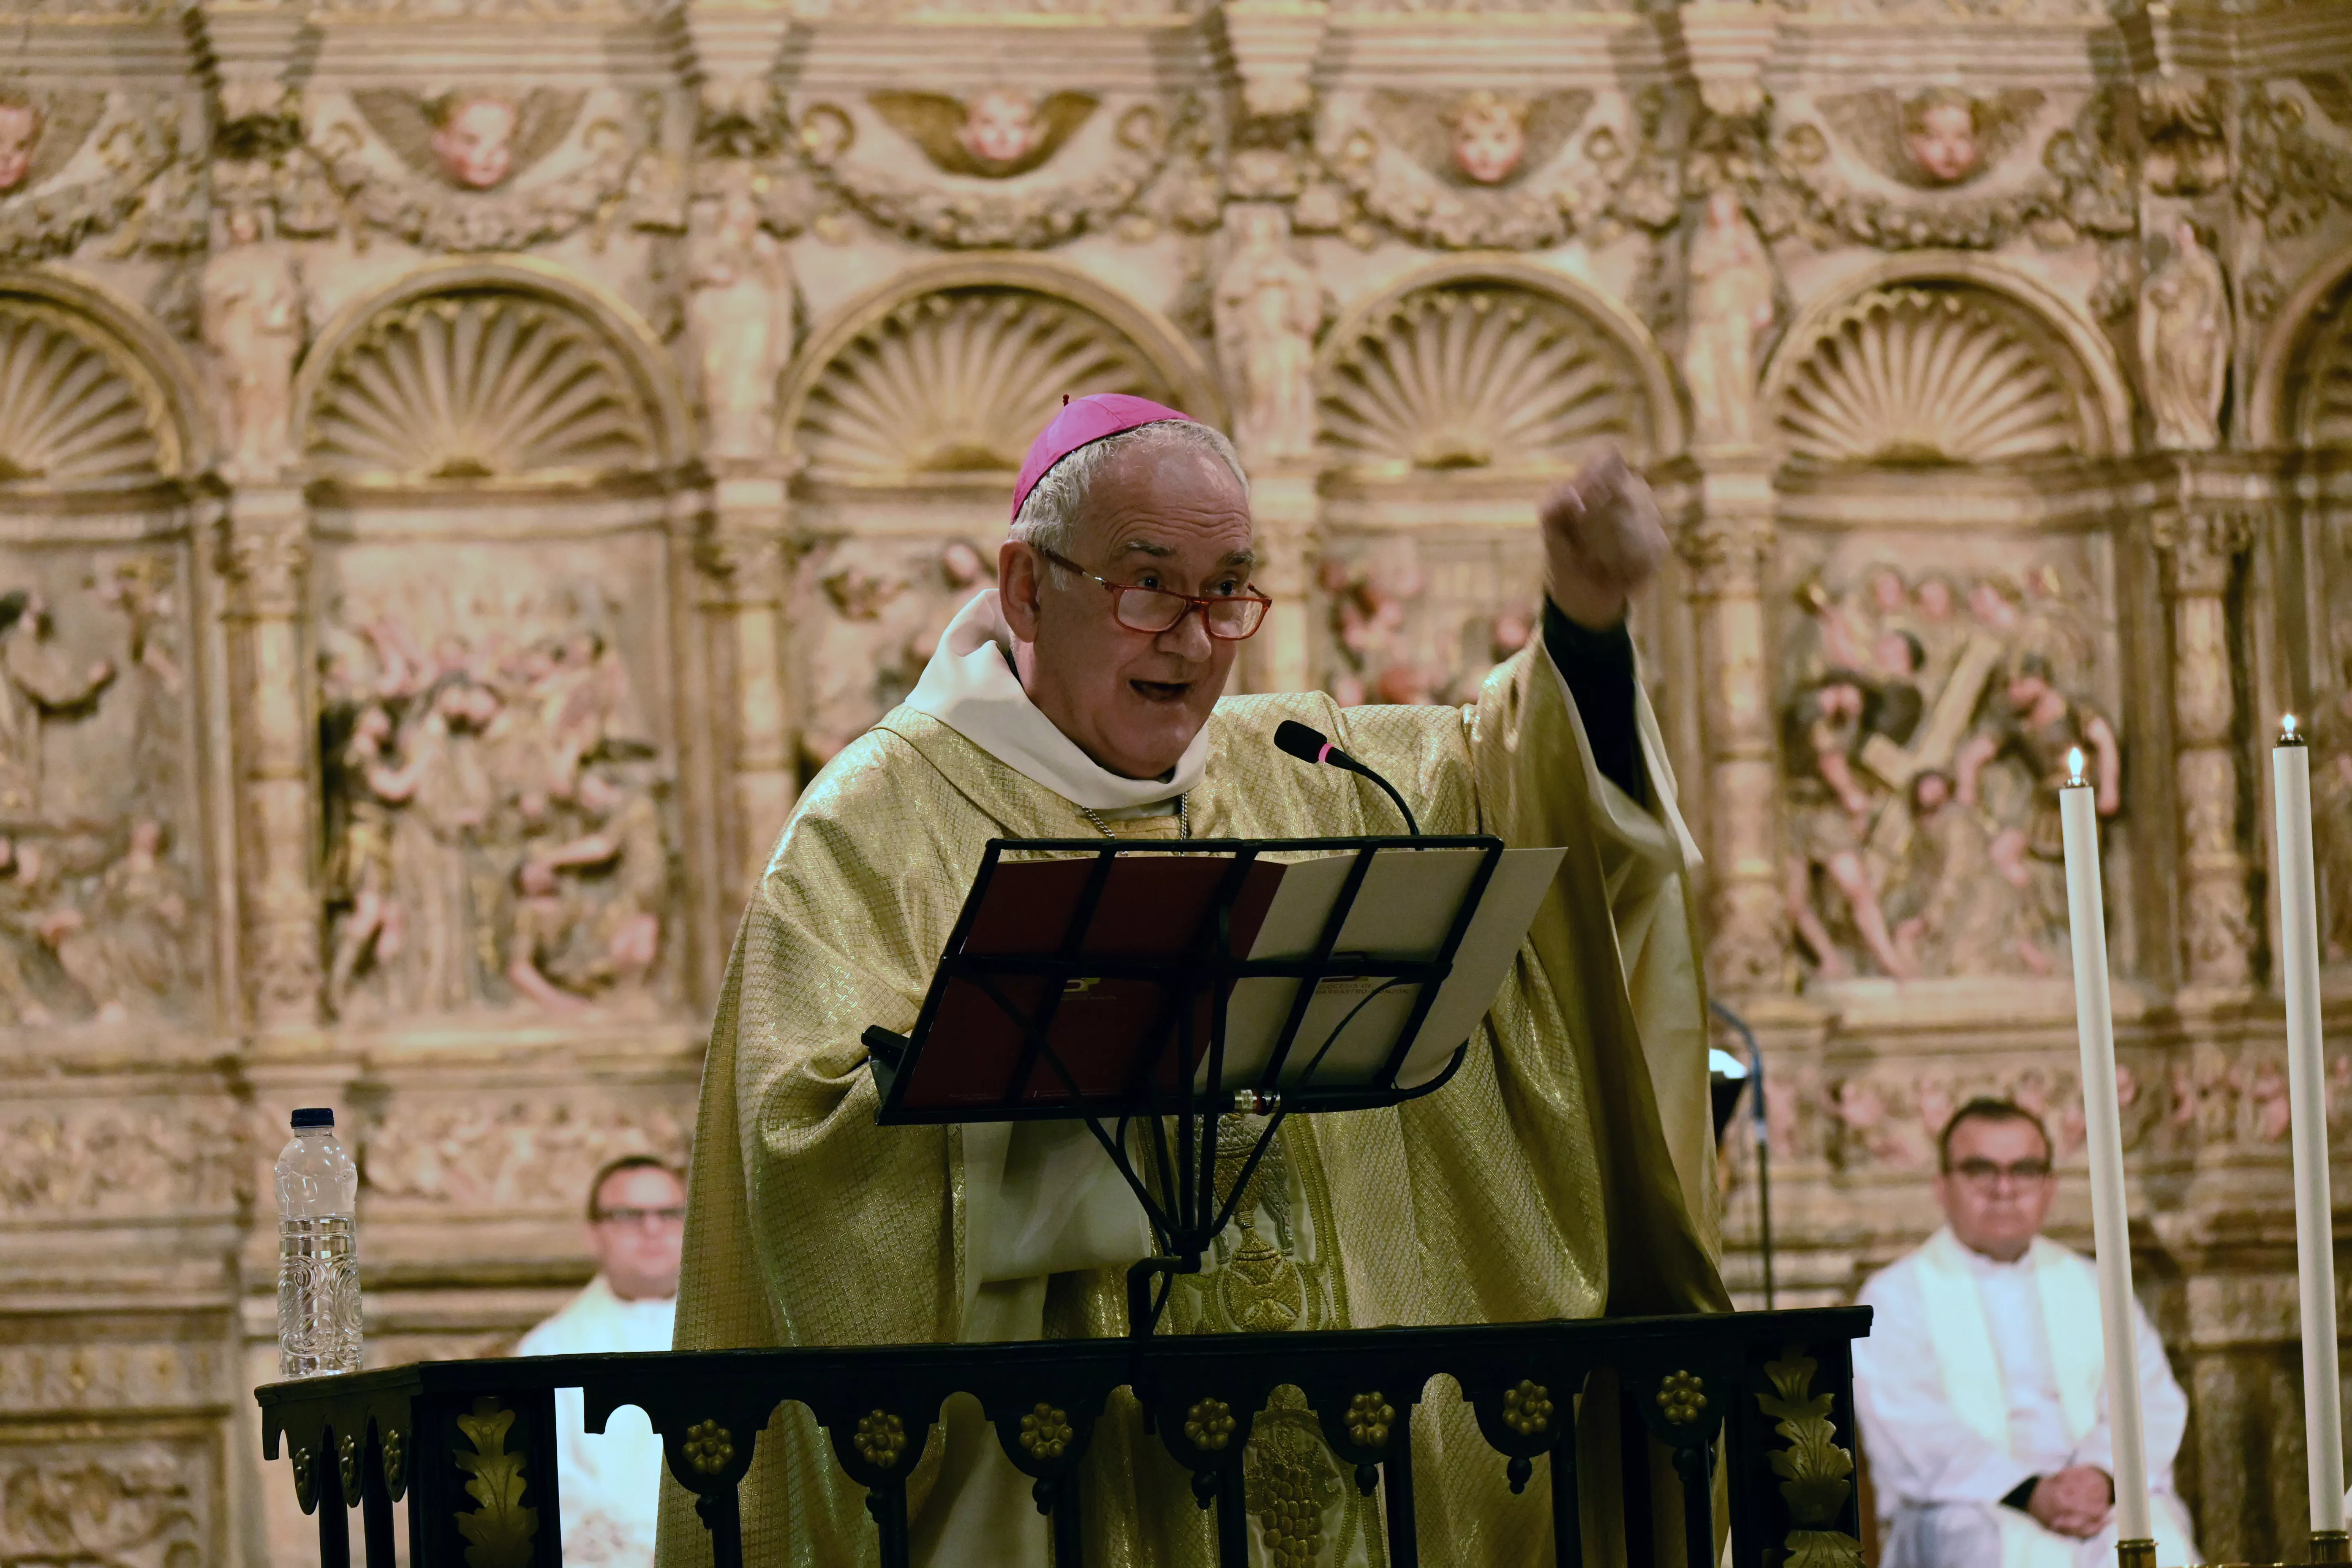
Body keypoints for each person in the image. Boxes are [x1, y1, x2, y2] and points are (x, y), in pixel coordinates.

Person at [665, 394, 1725, 1567]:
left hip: (1360, 1476)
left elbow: (1529, 790)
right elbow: (800, 1156)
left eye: (1227, 589)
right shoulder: (879, 821)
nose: (1193, 636)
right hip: (1077, 1485)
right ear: (1025, 589)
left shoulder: (1316, 768)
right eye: (1147, 585)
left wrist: (1585, 620)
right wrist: (1047, 1092)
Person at [1854, 1100, 2198, 1568]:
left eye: (2025, 1170)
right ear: (1941, 1186)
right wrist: (2031, 1492)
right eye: (1981, 1170)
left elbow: (2148, 1400)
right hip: (1974, 1505)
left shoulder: (2095, 1285)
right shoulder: (1895, 1296)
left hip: (2098, 1498)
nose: (2004, 1189)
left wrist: (2101, 1475)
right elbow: (1913, 1429)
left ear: (2050, 1188)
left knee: (2159, 1541)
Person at [520, 1156, 686, 1568]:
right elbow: (549, 1482)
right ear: (593, 1233)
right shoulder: (546, 1352)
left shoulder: (740, 1336)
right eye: (629, 1215)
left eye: (670, 1213)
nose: (652, 1229)